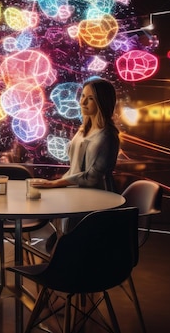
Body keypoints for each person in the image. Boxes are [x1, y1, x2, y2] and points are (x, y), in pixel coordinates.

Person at [33, 78, 120, 237]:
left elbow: (93, 177)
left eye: (91, 98)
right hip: (76, 197)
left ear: (103, 102)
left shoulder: (107, 136)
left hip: (98, 203)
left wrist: (57, 183)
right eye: (82, 96)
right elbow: (75, 163)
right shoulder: (83, 130)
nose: (83, 102)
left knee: (77, 246)